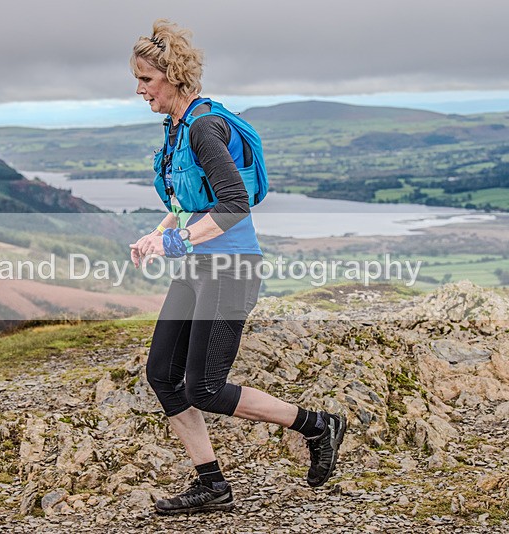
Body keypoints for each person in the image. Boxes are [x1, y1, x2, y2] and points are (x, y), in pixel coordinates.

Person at [129, 19, 347, 515]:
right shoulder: (178, 128)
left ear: (173, 76)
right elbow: (190, 200)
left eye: (147, 79)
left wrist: (178, 243)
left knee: (204, 387)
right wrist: (158, 233)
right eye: (138, 80)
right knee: (163, 374)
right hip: (198, 269)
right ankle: (212, 485)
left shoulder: (205, 127)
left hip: (231, 269)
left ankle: (317, 424)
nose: (140, 91)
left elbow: (233, 205)